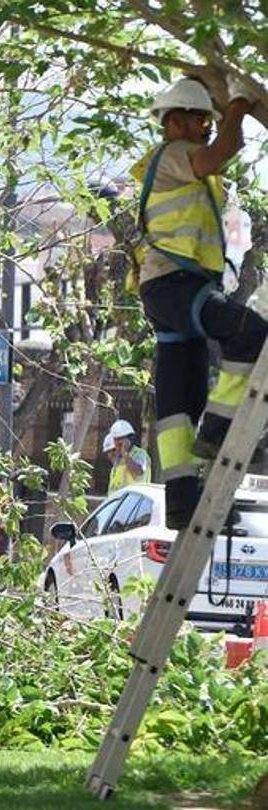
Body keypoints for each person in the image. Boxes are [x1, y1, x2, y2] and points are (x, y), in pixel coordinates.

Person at [132, 76, 265, 529]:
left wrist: (232, 113)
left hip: (176, 288)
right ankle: (217, 433)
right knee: (249, 332)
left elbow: (226, 148)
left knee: (179, 403)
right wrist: (240, 102)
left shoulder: (188, 163)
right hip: (173, 285)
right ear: (173, 123)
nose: (207, 127)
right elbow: (221, 151)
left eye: (209, 119)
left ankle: (182, 502)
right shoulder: (174, 156)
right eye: (198, 118)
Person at [106, 420, 151, 493]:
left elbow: (138, 472)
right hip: (120, 502)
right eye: (115, 439)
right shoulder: (118, 459)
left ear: (129, 439)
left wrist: (125, 453)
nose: (116, 443)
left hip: (135, 502)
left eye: (119, 439)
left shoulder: (139, 454)